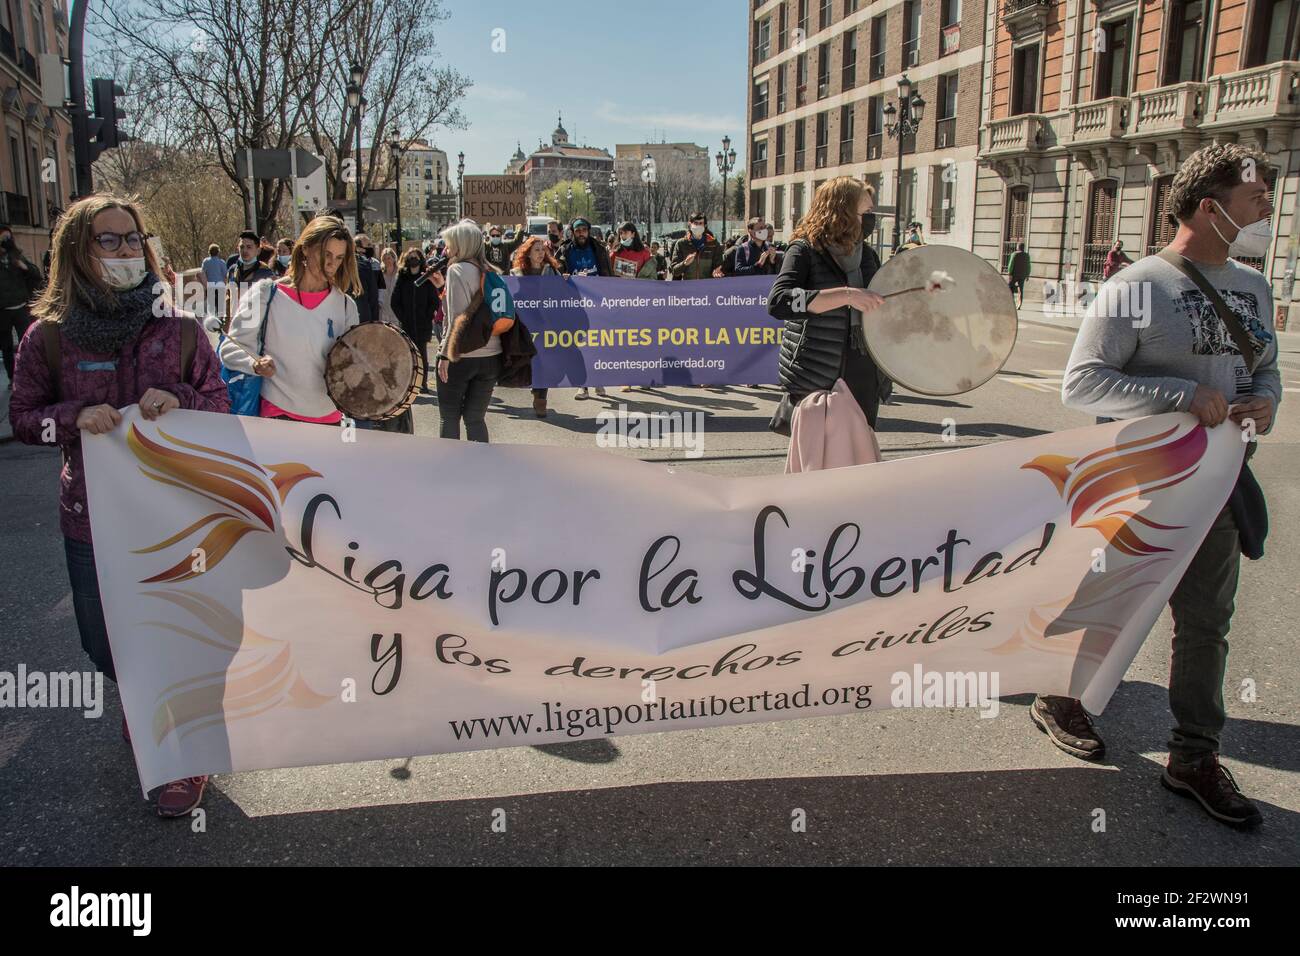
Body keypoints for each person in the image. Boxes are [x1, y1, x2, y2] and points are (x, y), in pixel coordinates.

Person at [1050, 143, 1280, 830]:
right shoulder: (1138, 284)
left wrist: (1266, 400)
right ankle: (1061, 695)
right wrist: (1179, 394)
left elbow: (1265, 368)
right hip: (1137, 486)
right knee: (1110, 601)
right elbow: (1082, 382)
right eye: (1254, 196)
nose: (1267, 203)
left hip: (1218, 485)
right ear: (1211, 208)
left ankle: (1194, 755)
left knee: (1206, 624)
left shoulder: (1254, 285)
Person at [7, 193, 229, 817]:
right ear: (78, 252)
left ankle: (183, 752)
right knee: (106, 645)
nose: (127, 251)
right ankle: (143, 702)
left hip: (178, 517)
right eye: (109, 241)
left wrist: (182, 397)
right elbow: (23, 420)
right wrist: (71, 416)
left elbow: (220, 406)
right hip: (91, 520)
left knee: (180, 637)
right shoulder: (45, 338)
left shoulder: (181, 331)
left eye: (133, 238)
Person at [768, 176, 888, 427]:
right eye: (865, 212)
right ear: (841, 211)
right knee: (820, 457)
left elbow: (883, 304)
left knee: (858, 451)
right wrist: (845, 295)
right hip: (816, 371)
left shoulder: (868, 255)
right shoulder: (803, 250)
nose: (870, 220)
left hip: (863, 369)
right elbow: (778, 302)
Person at [220, 215, 361, 424]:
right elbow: (230, 349)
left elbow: (353, 365)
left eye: (339, 258)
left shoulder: (346, 306)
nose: (331, 264)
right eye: (326, 254)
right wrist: (254, 363)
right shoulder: (264, 293)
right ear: (305, 248)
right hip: (277, 415)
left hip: (330, 419)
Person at [435, 220, 503, 442]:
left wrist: (446, 354)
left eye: (449, 244)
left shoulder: (456, 270)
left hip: (462, 356)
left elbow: (457, 318)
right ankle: (481, 467)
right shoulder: (491, 271)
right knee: (475, 418)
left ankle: (451, 468)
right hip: (491, 355)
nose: (446, 249)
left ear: (461, 244)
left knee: (449, 416)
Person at [556, 217, 611, 399]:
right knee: (579, 345)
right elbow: (555, 270)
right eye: (578, 230)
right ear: (572, 232)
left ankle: (599, 380)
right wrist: (561, 275)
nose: (581, 233)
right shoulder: (564, 250)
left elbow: (608, 274)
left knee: (598, 344)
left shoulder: (599, 249)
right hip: (575, 304)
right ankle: (583, 385)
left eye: (584, 230)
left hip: (597, 303)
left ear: (588, 231)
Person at [511, 236, 561, 417]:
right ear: (528, 253)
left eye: (543, 250)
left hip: (546, 324)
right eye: (537, 250)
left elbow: (561, 294)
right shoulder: (516, 273)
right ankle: (534, 387)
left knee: (544, 361)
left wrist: (567, 280)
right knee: (529, 361)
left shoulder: (551, 272)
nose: (541, 253)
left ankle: (541, 399)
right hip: (524, 326)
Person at [390, 247, 438, 394]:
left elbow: (434, 301)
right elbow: (394, 301)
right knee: (408, 354)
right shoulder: (403, 277)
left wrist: (428, 315)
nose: (413, 259)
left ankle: (422, 383)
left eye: (415, 256)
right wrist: (403, 317)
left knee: (422, 353)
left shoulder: (426, 277)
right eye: (410, 257)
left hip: (422, 323)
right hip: (408, 323)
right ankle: (409, 383)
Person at [0, 223, 42, 388]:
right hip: (3, 311)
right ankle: (13, 378)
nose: (5, 241)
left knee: (27, 344)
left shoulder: (16, 257)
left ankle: (28, 376)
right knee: (6, 347)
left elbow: (36, 274)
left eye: (7, 238)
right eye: (2, 238)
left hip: (21, 309)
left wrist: (23, 266)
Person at [670, 212, 724, 280]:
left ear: (705, 225)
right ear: (690, 224)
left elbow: (720, 266)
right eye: (695, 223)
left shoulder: (714, 244)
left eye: (701, 223)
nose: (698, 226)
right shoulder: (681, 244)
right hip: (689, 286)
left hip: (708, 287)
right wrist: (685, 263)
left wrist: (717, 271)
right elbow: (674, 271)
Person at [351, 233, 383, 324]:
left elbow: (379, 287)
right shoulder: (357, 265)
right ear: (358, 248)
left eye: (371, 244)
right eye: (368, 245)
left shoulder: (375, 264)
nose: (371, 247)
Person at [378, 247, 401, 325]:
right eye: (384, 259)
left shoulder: (400, 273)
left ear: (394, 258)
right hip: (383, 309)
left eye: (389, 258)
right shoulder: (380, 273)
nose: (387, 261)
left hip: (397, 309)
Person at [1006, 241, 1031, 308]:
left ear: (1018, 247)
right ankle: (1019, 304)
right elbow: (1028, 266)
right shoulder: (1027, 255)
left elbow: (1011, 264)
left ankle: (1012, 302)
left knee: (1010, 287)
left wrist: (1009, 273)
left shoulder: (1014, 254)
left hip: (1014, 274)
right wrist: (1028, 275)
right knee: (1021, 289)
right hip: (1022, 275)